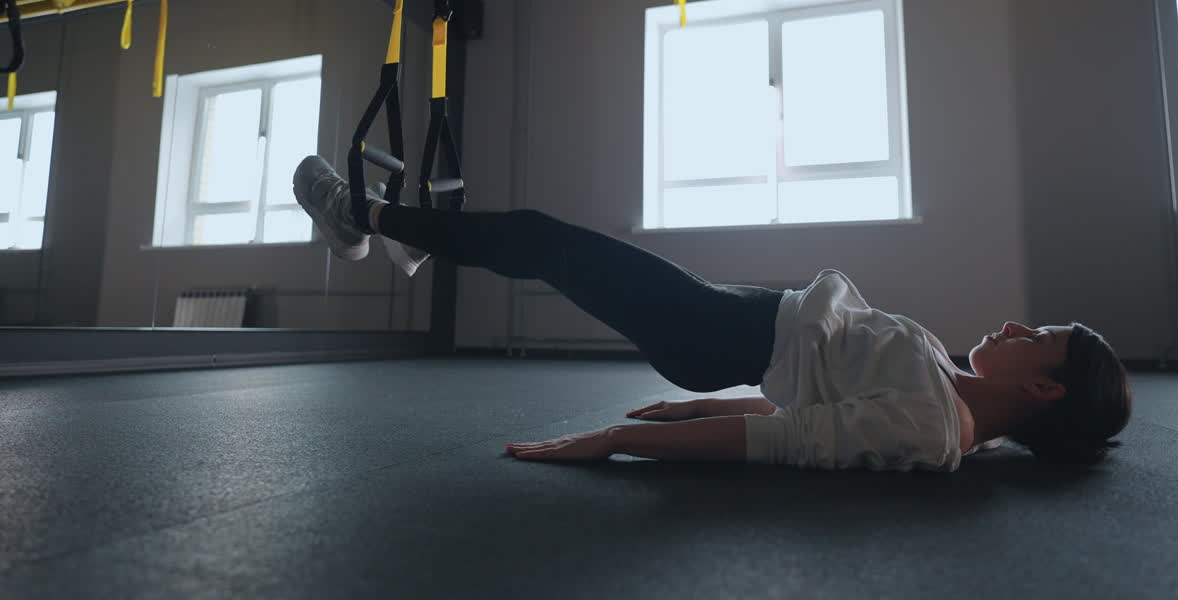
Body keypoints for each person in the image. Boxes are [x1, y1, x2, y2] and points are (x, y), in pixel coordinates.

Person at [294, 155, 1133, 472]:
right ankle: (409, 235)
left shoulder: (935, 426)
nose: (1017, 327)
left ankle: (361, 216)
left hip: (708, 330)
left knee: (540, 238)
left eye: (1038, 338)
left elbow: (793, 440)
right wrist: (698, 406)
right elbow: (811, 403)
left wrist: (620, 440)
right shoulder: (948, 388)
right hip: (729, 317)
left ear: (1047, 390)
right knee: (542, 241)